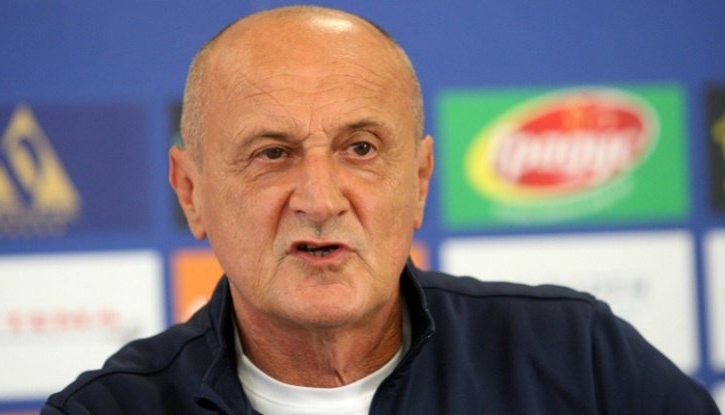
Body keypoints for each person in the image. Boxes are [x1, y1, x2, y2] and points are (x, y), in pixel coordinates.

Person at [42, 5, 720, 414]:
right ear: (191, 192)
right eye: (272, 153)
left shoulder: (580, 361)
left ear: (419, 181)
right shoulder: (106, 410)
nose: (319, 200)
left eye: (360, 148)